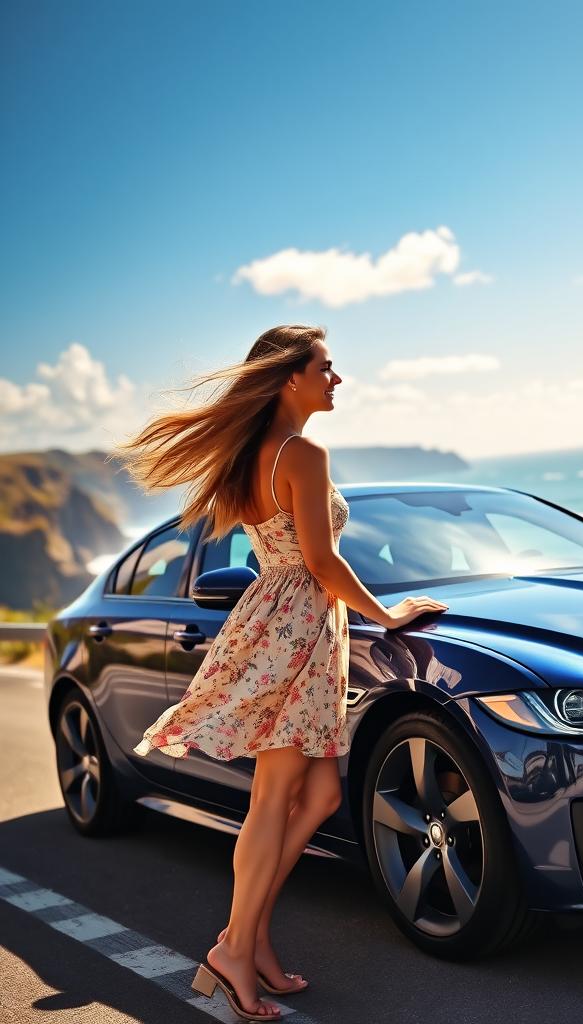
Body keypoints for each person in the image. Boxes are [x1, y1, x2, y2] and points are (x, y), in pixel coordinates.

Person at [112, 324, 449, 1020]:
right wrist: (387, 616)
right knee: (273, 800)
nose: (336, 377)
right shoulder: (301, 453)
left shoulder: (250, 458)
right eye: (326, 366)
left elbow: (286, 555)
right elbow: (320, 563)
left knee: (320, 795)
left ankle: (248, 938)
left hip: (278, 620)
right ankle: (234, 952)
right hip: (297, 628)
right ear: (290, 376)